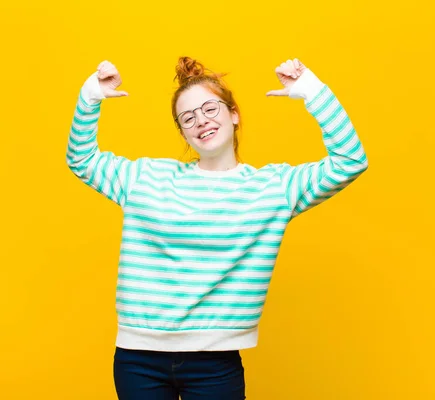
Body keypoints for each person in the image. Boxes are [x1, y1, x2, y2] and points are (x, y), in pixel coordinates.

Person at [66, 56, 368, 399]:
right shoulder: (146, 178)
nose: (201, 121)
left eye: (210, 109)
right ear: (182, 132)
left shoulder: (274, 188)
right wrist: (90, 97)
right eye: (188, 117)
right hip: (138, 358)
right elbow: (82, 158)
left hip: (215, 361)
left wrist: (313, 92)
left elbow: (350, 161)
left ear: (234, 114)